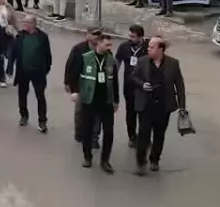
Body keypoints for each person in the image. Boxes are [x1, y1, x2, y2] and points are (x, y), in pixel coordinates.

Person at [131, 37, 187, 176]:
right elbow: (133, 77)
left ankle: (154, 159)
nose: (148, 49)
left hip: (163, 106)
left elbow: (179, 86)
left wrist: (182, 106)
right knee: (143, 133)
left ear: (160, 49)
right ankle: (140, 161)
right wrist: (142, 84)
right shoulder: (143, 61)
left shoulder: (173, 64)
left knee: (159, 134)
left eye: (151, 47)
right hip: (145, 105)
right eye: (148, 47)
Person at [74, 31, 118, 173]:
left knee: (109, 133)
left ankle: (105, 160)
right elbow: (76, 75)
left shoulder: (111, 60)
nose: (109, 47)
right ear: (98, 43)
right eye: (107, 44)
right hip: (89, 100)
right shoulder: (85, 58)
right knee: (87, 131)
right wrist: (75, 92)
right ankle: (87, 156)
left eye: (111, 45)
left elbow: (115, 82)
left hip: (106, 102)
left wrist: (116, 100)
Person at [10, 14, 52, 132]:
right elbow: (13, 52)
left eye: (27, 23)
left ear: (34, 24)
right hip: (23, 71)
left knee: (40, 96)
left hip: (38, 72)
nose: (24, 25)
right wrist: (10, 68)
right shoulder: (20, 36)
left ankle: (42, 121)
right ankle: (23, 115)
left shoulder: (42, 37)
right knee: (22, 94)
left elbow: (47, 55)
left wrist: (46, 69)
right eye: (23, 22)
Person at [116, 24, 149, 148]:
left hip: (144, 87)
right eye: (129, 35)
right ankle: (132, 137)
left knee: (144, 114)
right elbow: (117, 63)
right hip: (129, 87)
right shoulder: (124, 47)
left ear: (141, 37)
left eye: (133, 37)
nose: (129, 38)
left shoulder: (148, 47)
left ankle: (144, 136)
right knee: (131, 113)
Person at [64, 29, 100, 143]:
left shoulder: (103, 49)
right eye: (94, 34)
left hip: (97, 85)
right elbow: (70, 65)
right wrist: (67, 83)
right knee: (80, 110)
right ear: (87, 36)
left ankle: (94, 136)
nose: (96, 37)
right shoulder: (78, 49)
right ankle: (79, 133)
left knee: (97, 112)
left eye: (98, 35)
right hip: (81, 84)